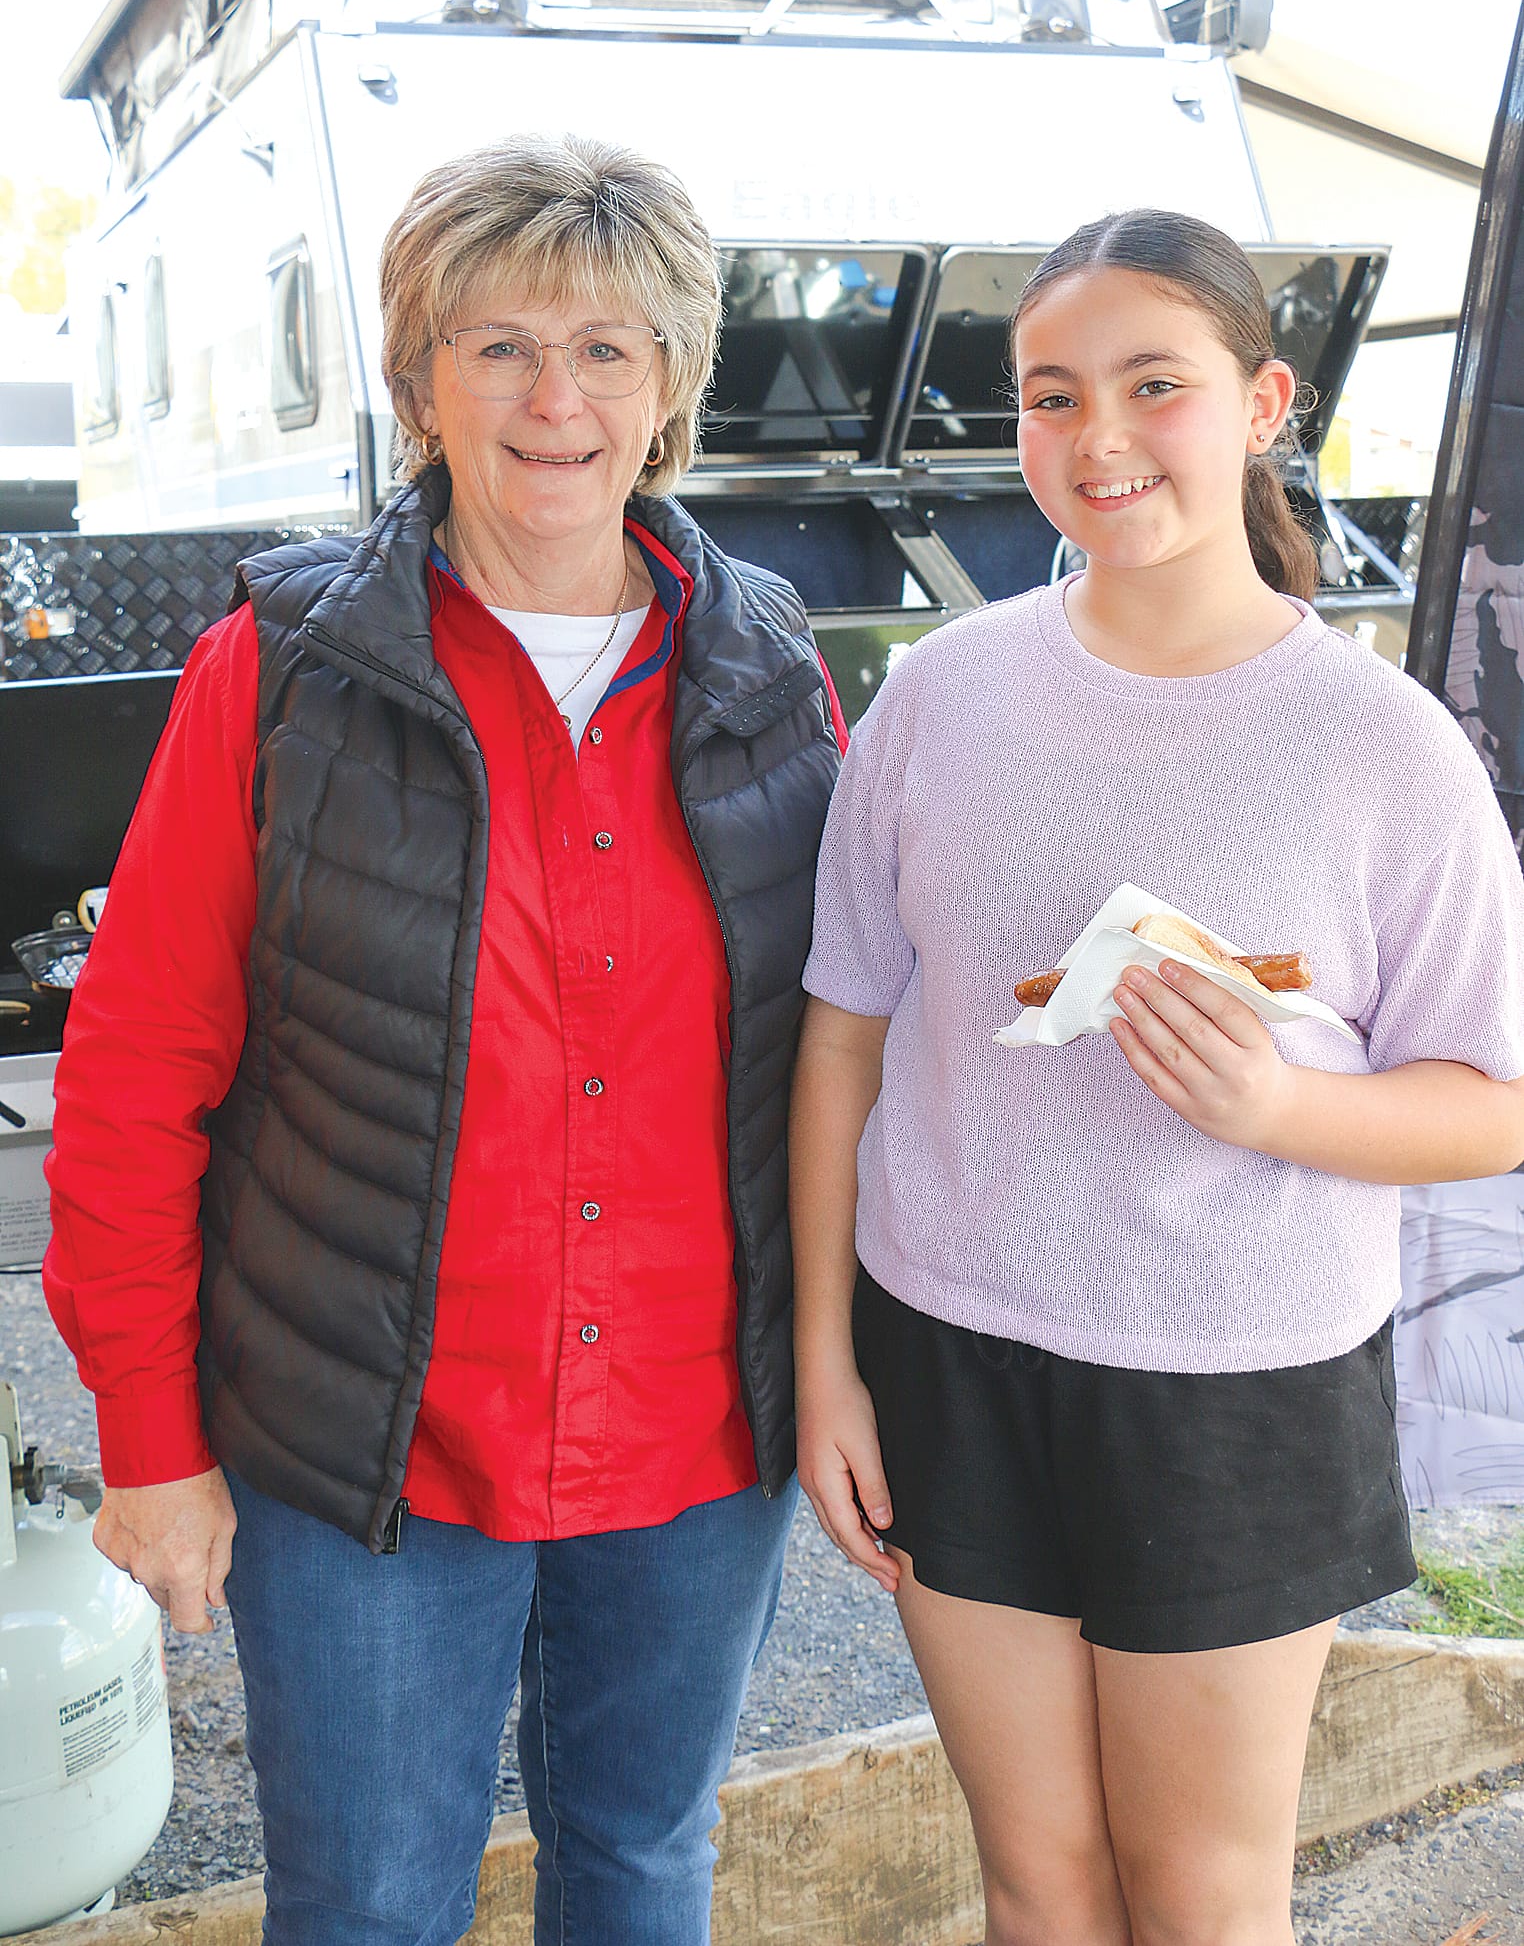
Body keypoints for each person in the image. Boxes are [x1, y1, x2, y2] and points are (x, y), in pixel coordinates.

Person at [44, 134, 847, 1946]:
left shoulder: (772, 671)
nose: (554, 398)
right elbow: (134, 1076)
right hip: (370, 1448)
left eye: (608, 349)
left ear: (668, 392)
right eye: (497, 346)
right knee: (368, 1900)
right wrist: (154, 1440)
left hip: (693, 1437)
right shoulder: (279, 673)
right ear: (420, 379)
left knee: (644, 1861)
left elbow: (849, 1045)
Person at [789, 209, 1524, 1946]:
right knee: (1039, 1880)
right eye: (1052, 397)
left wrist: (1283, 1110)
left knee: (1202, 1900)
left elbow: (1495, 1090)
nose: (1097, 438)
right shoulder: (937, 699)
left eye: (1154, 384)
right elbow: (843, 1033)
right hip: (950, 1349)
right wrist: (826, 1359)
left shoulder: (1379, 744)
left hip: (1237, 1388)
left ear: (1265, 399)